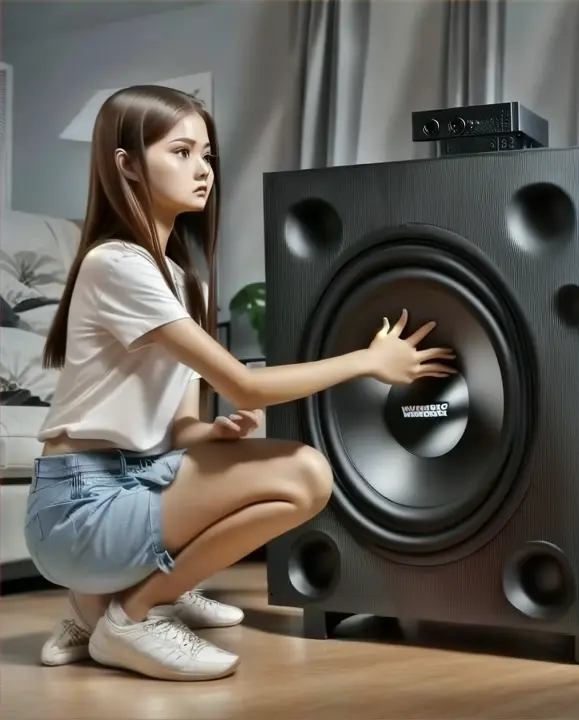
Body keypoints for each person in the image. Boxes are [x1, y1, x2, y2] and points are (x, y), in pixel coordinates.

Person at [24, 84, 456, 682]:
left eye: (206, 155)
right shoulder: (115, 264)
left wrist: (212, 432)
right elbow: (244, 385)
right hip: (78, 505)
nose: (202, 169)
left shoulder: (180, 278)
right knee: (306, 471)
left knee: (293, 476)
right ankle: (134, 614)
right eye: (180, 152)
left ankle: (102, 605)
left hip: (137, 479)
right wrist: (369, 361)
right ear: (125, 164)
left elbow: (177, 427)